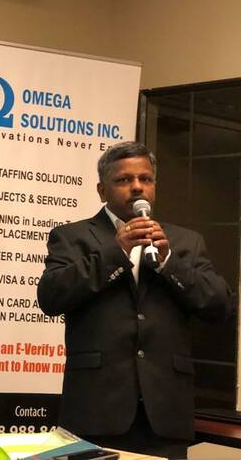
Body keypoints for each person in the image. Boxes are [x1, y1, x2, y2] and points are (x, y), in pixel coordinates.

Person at [37, 141, 232, 459]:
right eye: (124, 180)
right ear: (102, 190)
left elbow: (220, 305)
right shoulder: (72, 237)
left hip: (165, 414)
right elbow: (51, 297)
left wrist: (169, 263)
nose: (137, 187)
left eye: (146, 179)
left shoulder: (185, 242)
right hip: (96, 410)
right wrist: (116, 252)